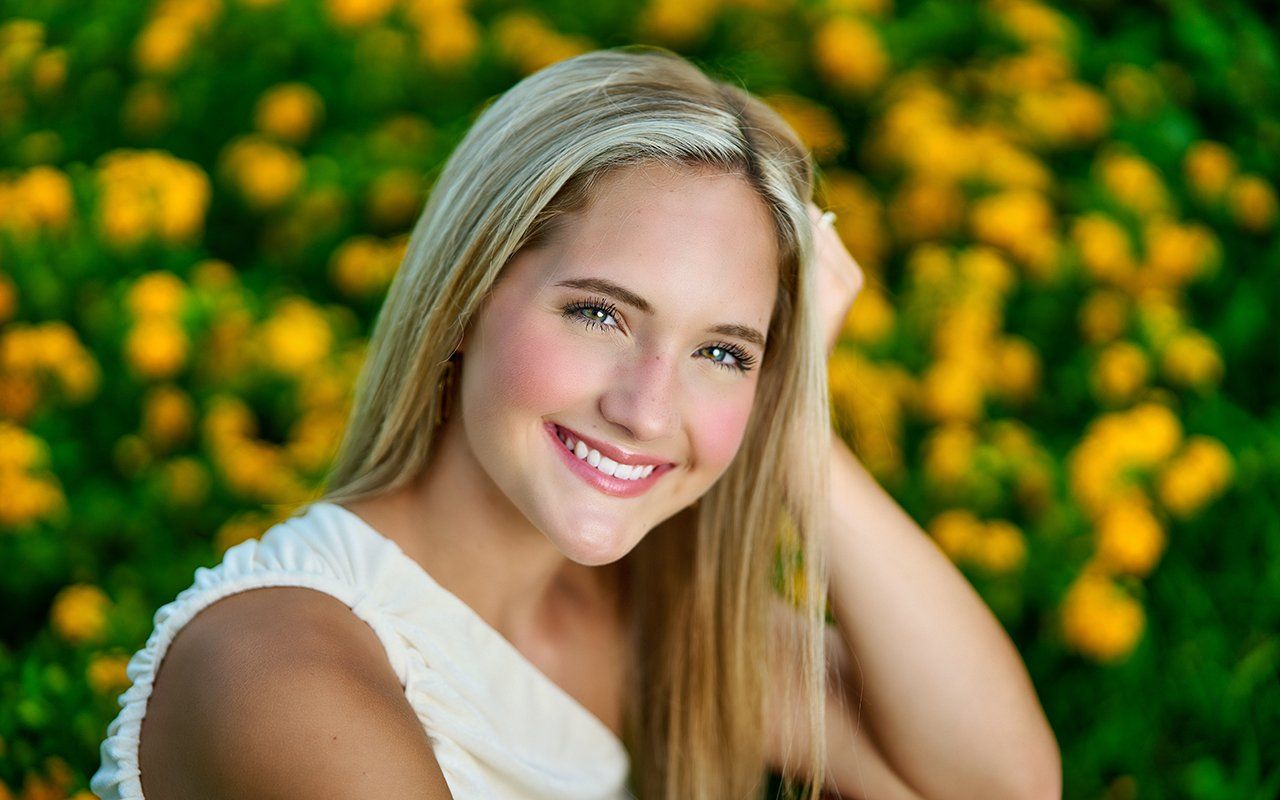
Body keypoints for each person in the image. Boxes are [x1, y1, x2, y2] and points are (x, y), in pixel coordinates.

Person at [91, 45, 1059, 800]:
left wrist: (796, 426)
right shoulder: (277, 662)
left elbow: (998, 783)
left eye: (721, 350)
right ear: (465, 297)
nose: (645, 407)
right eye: (598, 313)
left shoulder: (656, 622)